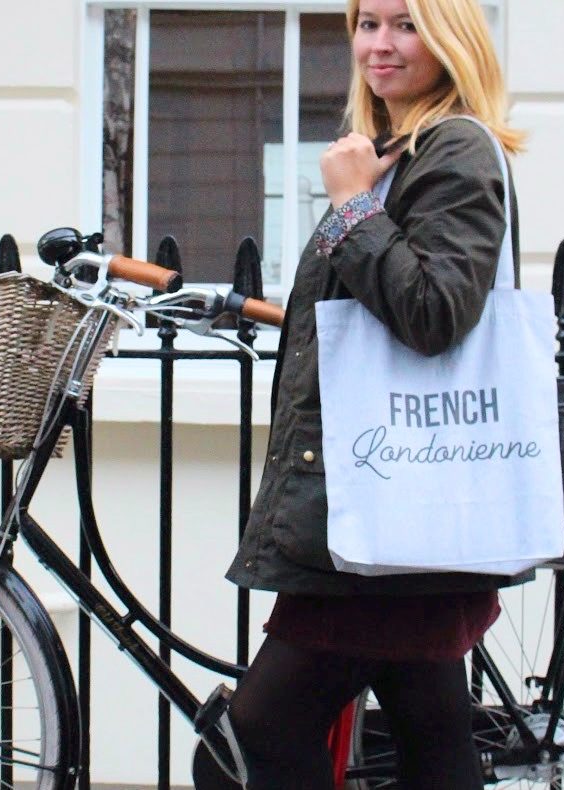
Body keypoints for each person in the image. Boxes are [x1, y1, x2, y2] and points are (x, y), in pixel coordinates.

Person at [223, 0, 526, 787]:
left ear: (450, 37)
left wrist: (352, 205)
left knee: (265, 722)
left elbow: (433, 314)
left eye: (405, 24)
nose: (379, 44)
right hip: (389, 505)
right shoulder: (394, 153)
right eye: (367, 24)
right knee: (428, 726)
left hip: (387, 501)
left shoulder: (453, 149)